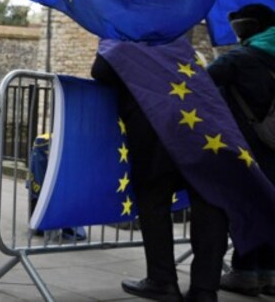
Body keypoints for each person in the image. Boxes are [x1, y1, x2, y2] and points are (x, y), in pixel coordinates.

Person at [92, 50, 228, 302]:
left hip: (158, 128)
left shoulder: (126, 38)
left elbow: (100, 71)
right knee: (209, 203)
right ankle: (205, 289)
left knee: (154, 199)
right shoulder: (180, 41)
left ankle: (162, 281)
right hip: (206, 129)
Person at [207, 3, 275, 297]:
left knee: (247, 209)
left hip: (249, 147)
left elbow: (201, 84)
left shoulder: (240, 58)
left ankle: (246, 273)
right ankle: (270, 275)